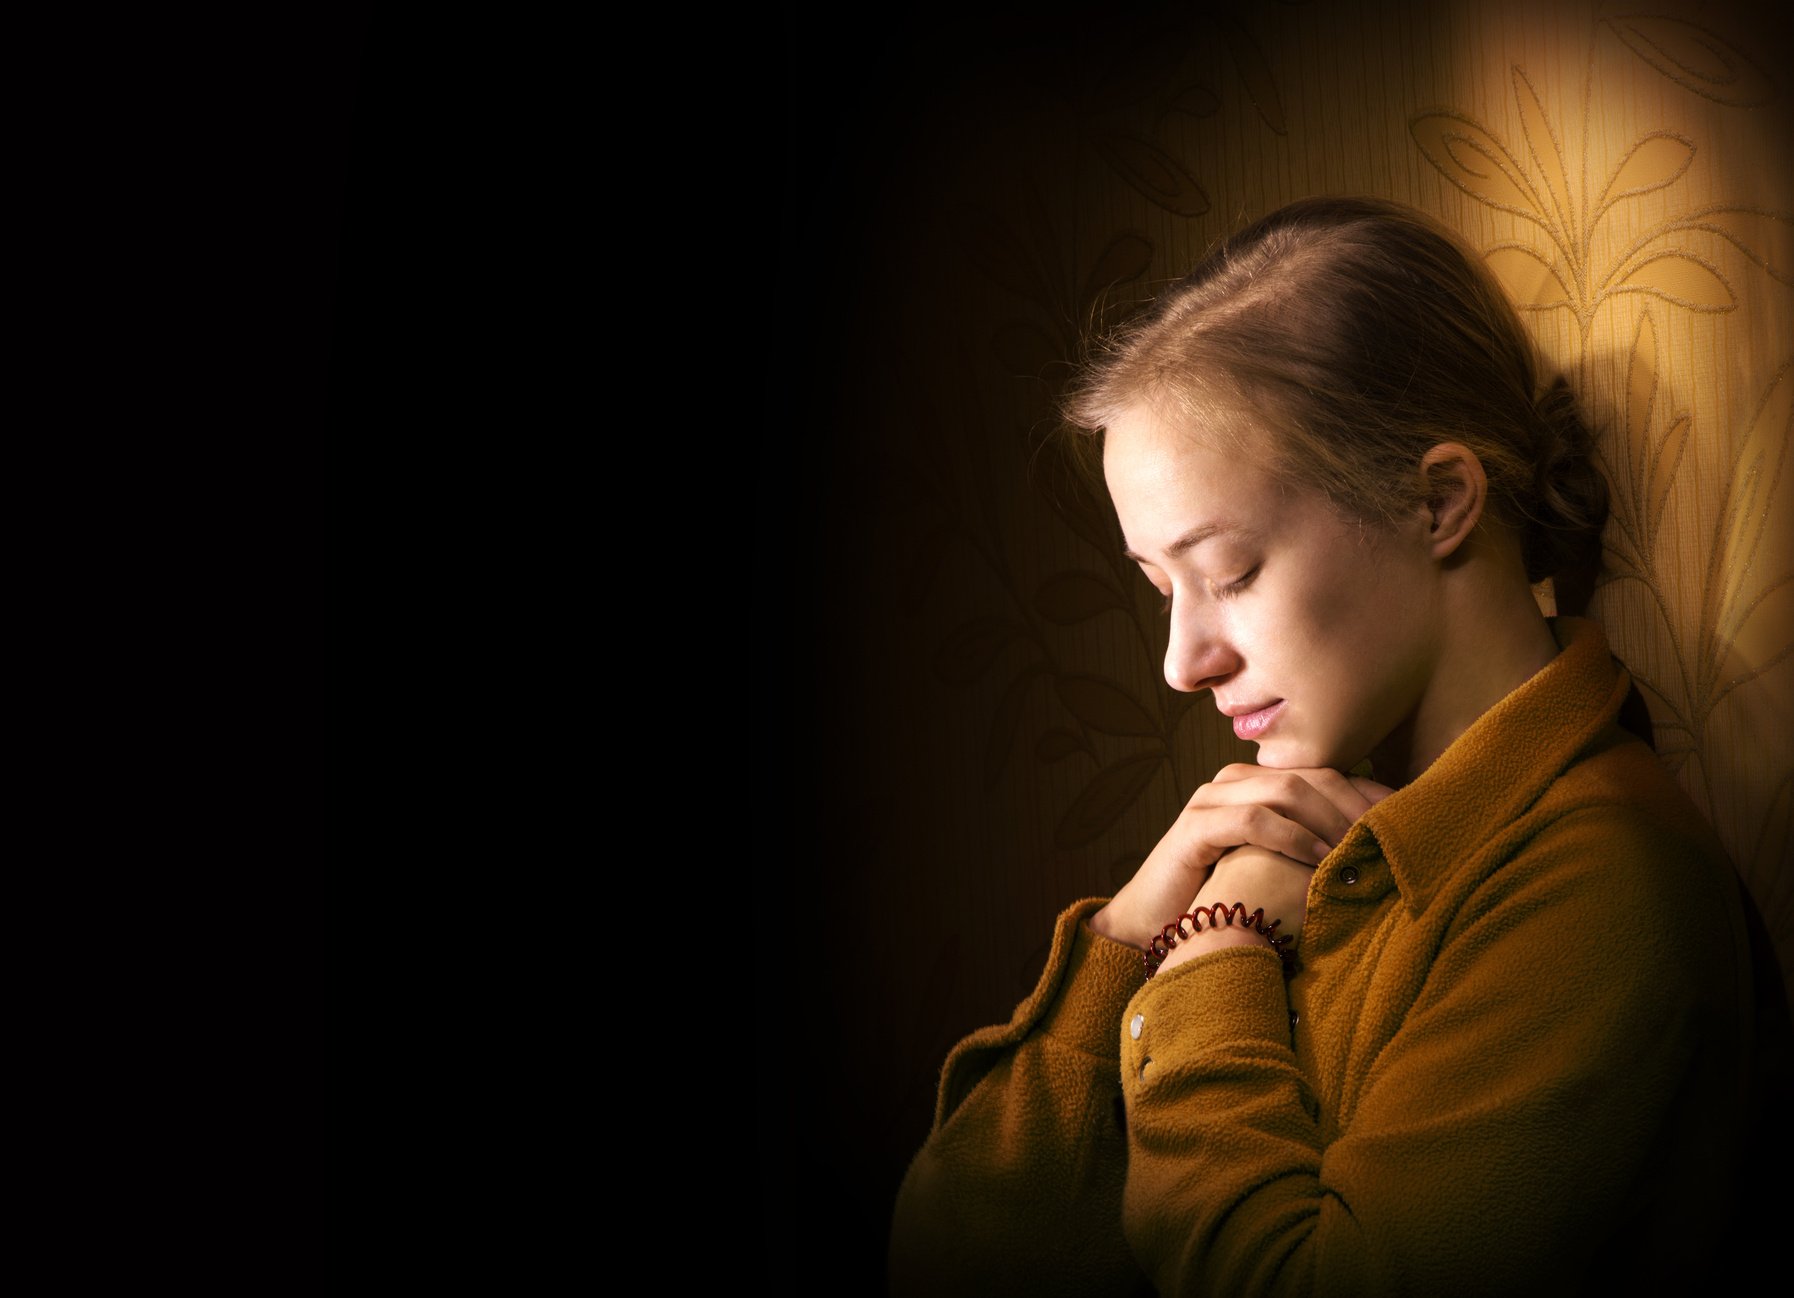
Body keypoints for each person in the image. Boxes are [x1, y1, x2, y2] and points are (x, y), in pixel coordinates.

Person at [886, 196, 1781, 1295]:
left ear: (1438, 498)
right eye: (1160, 588)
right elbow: (943, 1262)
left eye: (1231, 571)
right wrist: (1128, 932)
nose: (1181, 662)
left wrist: (1215, 950)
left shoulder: (1599, 890)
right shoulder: (1310, 832)